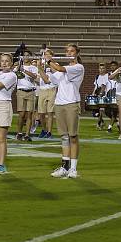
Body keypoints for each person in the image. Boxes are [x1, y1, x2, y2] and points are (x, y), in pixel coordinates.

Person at [48, 44, 85, 179]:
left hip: (71, 104)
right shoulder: (62, 70)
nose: (69, 53)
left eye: (72, 51)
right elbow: (48, 80)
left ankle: (73, 168)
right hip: (59, 104)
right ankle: (65, 166)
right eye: (67, 51)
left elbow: (59, 68)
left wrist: (49, 60)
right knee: (64, 137)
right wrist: (40, 67)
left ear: (77, 53)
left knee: (73, 136)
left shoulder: (78, 67)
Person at [14, 52, 38, 141]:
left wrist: (23, 70)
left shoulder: (33, 68)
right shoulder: (17, 68)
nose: (26, 57)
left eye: (28, 55)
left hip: (31, 91)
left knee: (29, 114)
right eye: (24, 55)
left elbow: (34, 77)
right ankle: (19, 132)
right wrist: (17, 69)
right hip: (21, 91)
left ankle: (27, 134)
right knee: (21, 114)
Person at [35, 49, 57, 138]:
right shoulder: (41, 66)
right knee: (41, 113)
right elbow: (38, 79)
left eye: (48, 54)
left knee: (50, 112)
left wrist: (49, 63)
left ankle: (49, 132)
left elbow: (54, 73)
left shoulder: (55, 65)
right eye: (45, 55)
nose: (46, 56)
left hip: (51, 89)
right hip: (42, 90)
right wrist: (40, 68)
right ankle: (44, 129)